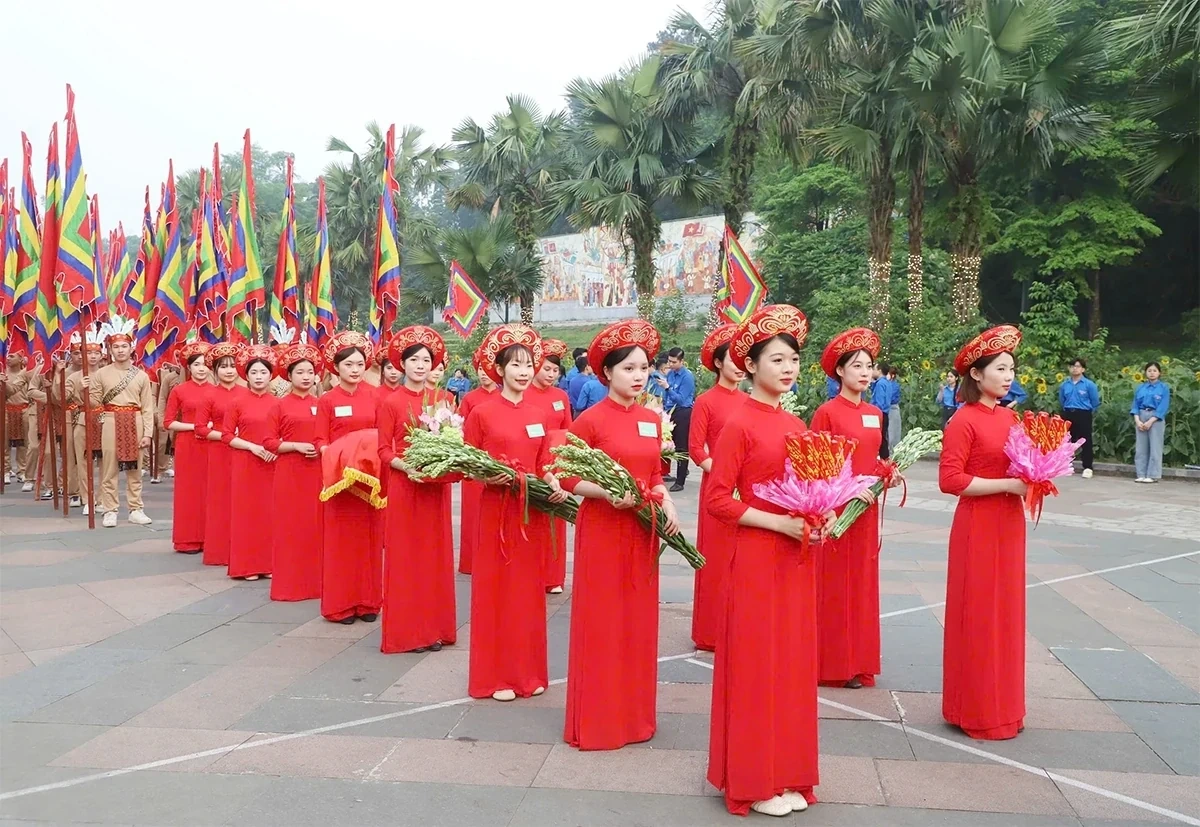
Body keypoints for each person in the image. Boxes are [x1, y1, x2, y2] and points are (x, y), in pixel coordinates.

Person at [706, 304, 821, 816]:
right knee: (758, 665)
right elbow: (717, 499)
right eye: (777, 359)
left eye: (793, 358)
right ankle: (754, 780)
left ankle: (789, 771)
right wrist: (777, 524)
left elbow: (810, 487)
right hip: (756, 557)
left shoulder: (796, 423)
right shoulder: (739, 423)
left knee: (792, 664)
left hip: (796, 557)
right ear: (750, 365)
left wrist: (820, 514)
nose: (788, 367)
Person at [560, 319, 681, 751]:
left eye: (644, 368)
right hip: (604, 530)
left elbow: (654, 472)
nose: (638, 376)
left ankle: (634, 717)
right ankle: (600, 720)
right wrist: (607, 493)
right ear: (607, 372)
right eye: (628, 368)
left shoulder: (651, 420)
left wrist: (666, 503)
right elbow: (566, 475)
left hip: (641, 531)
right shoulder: (590, 421)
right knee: (604, 622)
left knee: (637, 622)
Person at [464, 325, 568, 700]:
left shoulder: (539, 414)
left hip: (531, 512)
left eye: (528, 365)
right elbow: (468, 464)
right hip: (497, 511)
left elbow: (543, 463)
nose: (524, 372)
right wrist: (488, 475)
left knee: (526, 592)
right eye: (516, 365)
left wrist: (554, 482)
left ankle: (527, 673)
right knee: (497, 590)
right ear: (500, 369)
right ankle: (496, 677)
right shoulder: (482, 413)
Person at [940, 324, 1028, 740]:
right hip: (977, 524)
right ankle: (975, 708)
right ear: (976, 374)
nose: (1008, 376)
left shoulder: (1012, 417)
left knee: (1006, 614)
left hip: (1009, 523)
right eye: (1000, 369)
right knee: (979, 614)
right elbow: (950, 480)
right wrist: (1008, 485)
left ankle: (1006, 706)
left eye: (1011, 369)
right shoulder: (964, 419)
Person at [811, 328, 895, 690]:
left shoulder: (875, 413)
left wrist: (886, 474)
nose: (865, 372)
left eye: (869, 366)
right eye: (856, 365)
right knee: (834, 583)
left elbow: (874, 457)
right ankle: (831, 662)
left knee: (862, 583)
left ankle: (859, 660)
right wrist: (846, 492)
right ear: (840, 371)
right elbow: (817, 466)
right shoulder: (827, 413)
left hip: (866, 509)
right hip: (838, 509)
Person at [377, 326, 458, 651]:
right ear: (402, 364)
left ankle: (435, 627)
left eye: (426, 360)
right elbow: (384, 450)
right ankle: (409, 632)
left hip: (435, 488)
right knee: (407, 558)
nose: (421, 365)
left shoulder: (444, 401)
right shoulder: (391, 402)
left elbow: (454, 441)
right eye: (414, 360)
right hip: (406, 486)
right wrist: (406, 466)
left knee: (434, 557)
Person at [314, 331, 384, 624]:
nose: (355, 370)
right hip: (340, 482)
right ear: (336, 367)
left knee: (369, 542)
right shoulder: (328, 400)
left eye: (359, 364)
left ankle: (368, 602)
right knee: (341, 543)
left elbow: (384, 434)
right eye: (348, 365)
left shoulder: (376, 396)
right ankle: (340, 605)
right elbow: (320, 439)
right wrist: (335, 456)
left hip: (369, 481)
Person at [687, 324, 745, 652]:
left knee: (742, 559)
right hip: (718, 488)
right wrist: (725, 475)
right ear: (718, 363)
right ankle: (709, 631)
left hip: (745, 490)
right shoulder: (706, 401)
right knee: (715, 558)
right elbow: (697, 449)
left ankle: (737, 626)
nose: (739, 365)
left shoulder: (750, 401)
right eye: (732, 358)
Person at [263, 339, 324, 601]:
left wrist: (320, 448)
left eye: (310, 371)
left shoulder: (322, 404)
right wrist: (295, 446)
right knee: (290, 527)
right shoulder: (279, 405)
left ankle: (316, 584)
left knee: (315, 526)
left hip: (317, 472)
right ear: (288, 375)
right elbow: (268, 442)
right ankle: (290, 585)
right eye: (300, 372)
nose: (306, 377)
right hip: (290, 472)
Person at [87, 315, 154, 528]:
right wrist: (85, 389)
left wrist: (148, 433)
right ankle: (110, 510)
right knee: (109, 468)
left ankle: (136, 508)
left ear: (131, 348)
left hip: (135, 420)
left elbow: (148, 407)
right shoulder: (101, 374)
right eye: (116, 347)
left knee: (135, 469)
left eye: (124, 346)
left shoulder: (141, 376)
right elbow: (94, 403)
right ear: (110, 349)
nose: (120, 350)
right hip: (110, 419)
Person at [222, 345, 279, 581]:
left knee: (269, 513)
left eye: (263, 372)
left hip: (272, 463)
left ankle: (268, 563)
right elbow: (226, 435)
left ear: (271, 375)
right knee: (246, 514)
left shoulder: (278, 403)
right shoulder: (236, 402)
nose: (258, 377)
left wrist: (276, 448)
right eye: (254, 372)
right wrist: (253, 447)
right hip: (246, 462)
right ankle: (246, 566)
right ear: (246, 375)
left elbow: (284, 432)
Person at [527, 337, 573, 594]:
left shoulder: (561, 396)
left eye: (556, 370)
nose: (551, 374)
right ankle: (532, 572)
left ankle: (554, 576)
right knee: (534, 517)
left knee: (556, 517)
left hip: (556, 461)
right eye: (547, 368)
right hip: (530, 460)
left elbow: (568, 430)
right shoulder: (524, 392)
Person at [194, 343, 244, 565]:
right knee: (220, 499)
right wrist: (225, 435)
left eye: (232, 366)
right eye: (223, 367)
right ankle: (221, 550)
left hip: (244, 451)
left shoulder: (247, 393)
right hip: (219, 452)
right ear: (215, 370)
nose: (229, 371)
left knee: (243, 500)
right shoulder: (209, 395)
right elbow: (200, 428)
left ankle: (243, 548)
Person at [163, 342, 212, 554]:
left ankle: (210, 537)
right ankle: (187, 538)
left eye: (205, 364)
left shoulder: (216, 391)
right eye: (196, 364)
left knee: (210, 491)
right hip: (188, 444)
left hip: (212, 444)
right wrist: (195, 427)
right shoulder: (179, 390)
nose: (201, 369)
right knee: (188, 491)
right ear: (189, 367)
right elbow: (168, 422)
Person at [457, 355, 499, 576]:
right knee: (472, 514)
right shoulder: (470, 398)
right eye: (480, 369)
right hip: (475, 462)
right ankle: (470, 561)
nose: (484, 373)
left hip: (499, 463)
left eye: (487, 368)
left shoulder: (504, 396)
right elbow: (460, 428)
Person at [67, 337, 105, 515]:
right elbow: (61, 398)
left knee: (106, 462)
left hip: (104, 418)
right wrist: (78, 389)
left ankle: (103, 498)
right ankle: (87, 498)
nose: (93, 356)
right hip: (83, 418)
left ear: (102, 355)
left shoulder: (107, 374)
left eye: (97, 353)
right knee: (83, 462)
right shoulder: (74, 377)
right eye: (89, 353)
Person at [658, 347, 694, 492]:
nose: (671, 364)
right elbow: (668, 397)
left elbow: (682, 399)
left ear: (681, 361)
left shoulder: (687, 377)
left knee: (681, 446)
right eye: (669, 361)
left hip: (682, 412)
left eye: (674, 362)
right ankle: (669, 472)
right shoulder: (671, 374)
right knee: (667, 443)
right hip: (670, 411)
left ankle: (680, 480)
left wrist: (667, 388)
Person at [3, 351, 41, 488]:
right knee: (4, 443)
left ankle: (22, 470)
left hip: (25, 410)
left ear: (21, 358)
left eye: (12, 356)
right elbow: (10, 391)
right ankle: (5, 470)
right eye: (8, 356)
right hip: (7, 410)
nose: (8, 358)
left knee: (24, 443)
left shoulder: (28, 372)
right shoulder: (3, 373)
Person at [1059, 358, 1100, 479]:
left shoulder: (1089, 385)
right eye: (1072, 366)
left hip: (1083, 414)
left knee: (1085, 440)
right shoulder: (1064, 385)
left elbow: (1095, 402)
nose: (1074, 369)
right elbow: (1062, 400)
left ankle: (1087, 467)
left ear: (1083, 369)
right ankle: (1065, 464)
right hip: (1068, 413)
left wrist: (1087, 411)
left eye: (1077, 366)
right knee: (1066, 440)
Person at [1131, 361, 1170, 484]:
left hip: (1156, 418)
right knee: (1141, 447)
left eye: (1154, 371)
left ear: (1159, 373)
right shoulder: (1141, 388)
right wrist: (1137, 420)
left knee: (1155, 446)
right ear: (1145, 373)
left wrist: (1151, 421)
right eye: (1149, 371)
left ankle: (1153, 475)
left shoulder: (1163, 388)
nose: (1152, 373)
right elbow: (1135, 405)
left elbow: (1163, 406)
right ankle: (1141, 473)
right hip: (1141, 415)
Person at [148, 365, 179, 483]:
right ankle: (160, 469)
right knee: (162, 443)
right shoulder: (169, 377)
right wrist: (160, 416)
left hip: (188, 418)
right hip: (170, 416)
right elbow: (162, 398)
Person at [870, 363, 891, 460]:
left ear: (879, 370)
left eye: (874, 369)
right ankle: (885, 458)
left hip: (879, 413)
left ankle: (881, 457)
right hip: (885, 412)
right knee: (883, 436)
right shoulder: (887, 382)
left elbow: (879, 401)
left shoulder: (880, 384)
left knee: (878, 437)